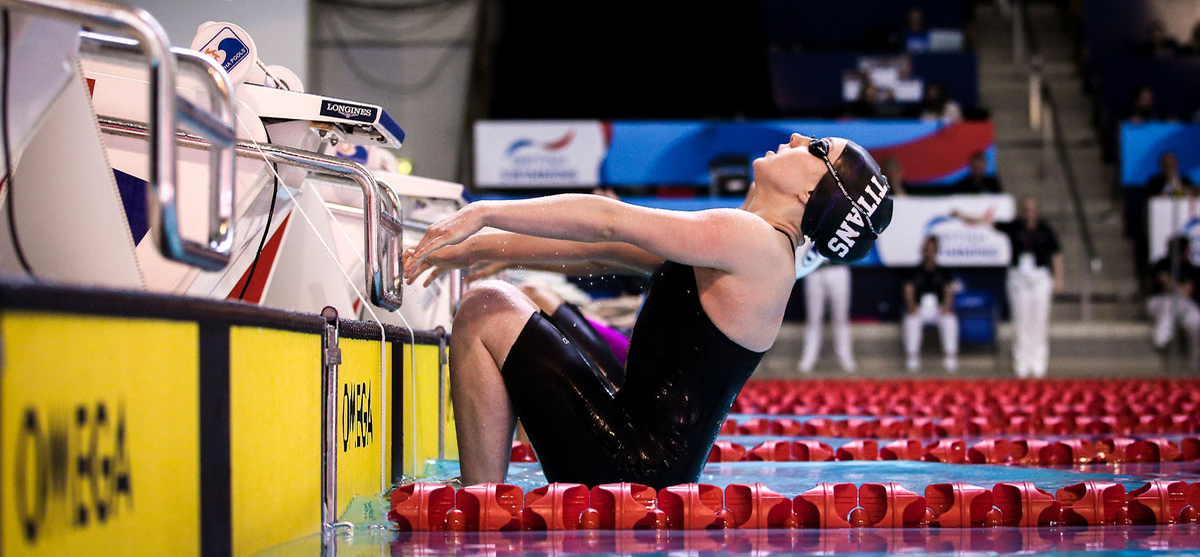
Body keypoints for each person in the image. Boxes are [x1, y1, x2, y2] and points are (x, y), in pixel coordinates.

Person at [403, 135, 893, 486]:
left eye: (817, 150)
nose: (796, 137)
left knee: (486, 306)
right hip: (644, 463)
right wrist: (488, 248)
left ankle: (480, 508)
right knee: (501, 300)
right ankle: (483, 500)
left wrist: (484, 212)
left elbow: (608, 223)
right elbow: (608, 252)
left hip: (632, 464)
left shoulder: (756, 243)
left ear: (811, 194)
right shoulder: (753, 246)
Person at [955, 197, 1062, 378]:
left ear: (1037, 210)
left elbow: (1056, 255)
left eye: (1032, 209)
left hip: (1040, 277)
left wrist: (1058, 278)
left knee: (1039, 321)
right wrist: (962, 215)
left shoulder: (1045, 230)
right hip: (1019, 277)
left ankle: (1038, 364)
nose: (1029, 213)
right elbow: (985, 221)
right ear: (1022, 211)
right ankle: (1021, 363)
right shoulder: (1014, 227)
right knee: (1021, 321)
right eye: (1026, 209)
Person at [902, 236, 959, 372]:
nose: (929, 253)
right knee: (911, 319)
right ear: (923, 251)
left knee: (950, 320)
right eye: (927, 249)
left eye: (932, 250)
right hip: (919, 308)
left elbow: (949, 289)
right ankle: (912, 358)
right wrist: (911, 305)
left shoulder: (943, 272)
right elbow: (908, 288)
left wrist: (946, 306)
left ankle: (950, 357)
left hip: (938, 308)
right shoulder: (914, 271)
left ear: (936, 251)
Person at [1147, 236, 1200, 371]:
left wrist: (1174, 286)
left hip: (1185, 305)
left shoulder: (1192, 268)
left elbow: (1186, 291)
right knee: (1171, 302)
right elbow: (1165, 285)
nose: (1189, 252)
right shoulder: (1162, 263)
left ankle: (1194, 362)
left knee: (1195, 321)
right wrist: (1178, 288)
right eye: (1187, 249)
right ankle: (1162, 337)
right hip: (1160, 302)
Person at [797, 258, 854, 374]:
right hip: (814, 270)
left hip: (838, 268)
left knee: (841, 319)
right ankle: (809, 358)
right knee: (813, 319)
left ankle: (845, 358)